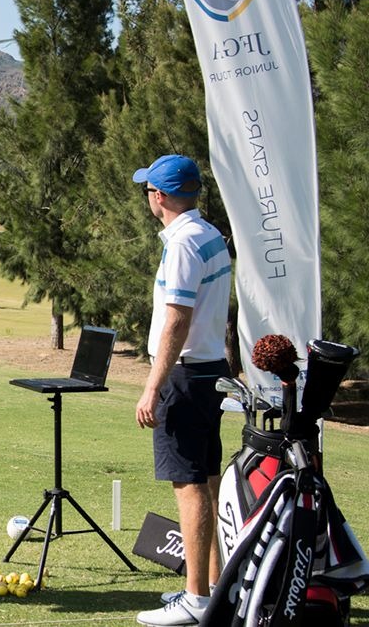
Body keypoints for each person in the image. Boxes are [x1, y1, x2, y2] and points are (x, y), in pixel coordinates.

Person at [131, 155, 233, 627]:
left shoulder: (184, 244)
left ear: (160, 196)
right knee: (206, 480)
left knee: (189, 485)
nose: (148, 197)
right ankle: (211, 589)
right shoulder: (209, 235)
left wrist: (152, 387)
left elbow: (177, 320)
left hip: (186, 376)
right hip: (210, 371)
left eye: (149, 190)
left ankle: (195, 600)